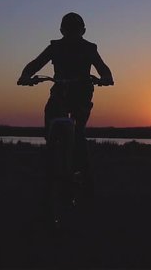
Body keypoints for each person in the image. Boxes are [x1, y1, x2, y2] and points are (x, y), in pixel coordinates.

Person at [17, 12, 114, 179]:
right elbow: (36, 63)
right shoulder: (55, 47)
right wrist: (25, 76)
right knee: (50, 118)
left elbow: (103, 68)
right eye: (68, 30)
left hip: (82, 91)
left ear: (83, 31)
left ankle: (83, 171)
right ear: (62, 30)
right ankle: (53, 154)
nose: (72, 34)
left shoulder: (89, 48)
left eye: (75, 30)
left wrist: (106, 78)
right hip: (60, 91)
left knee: (79, 130)